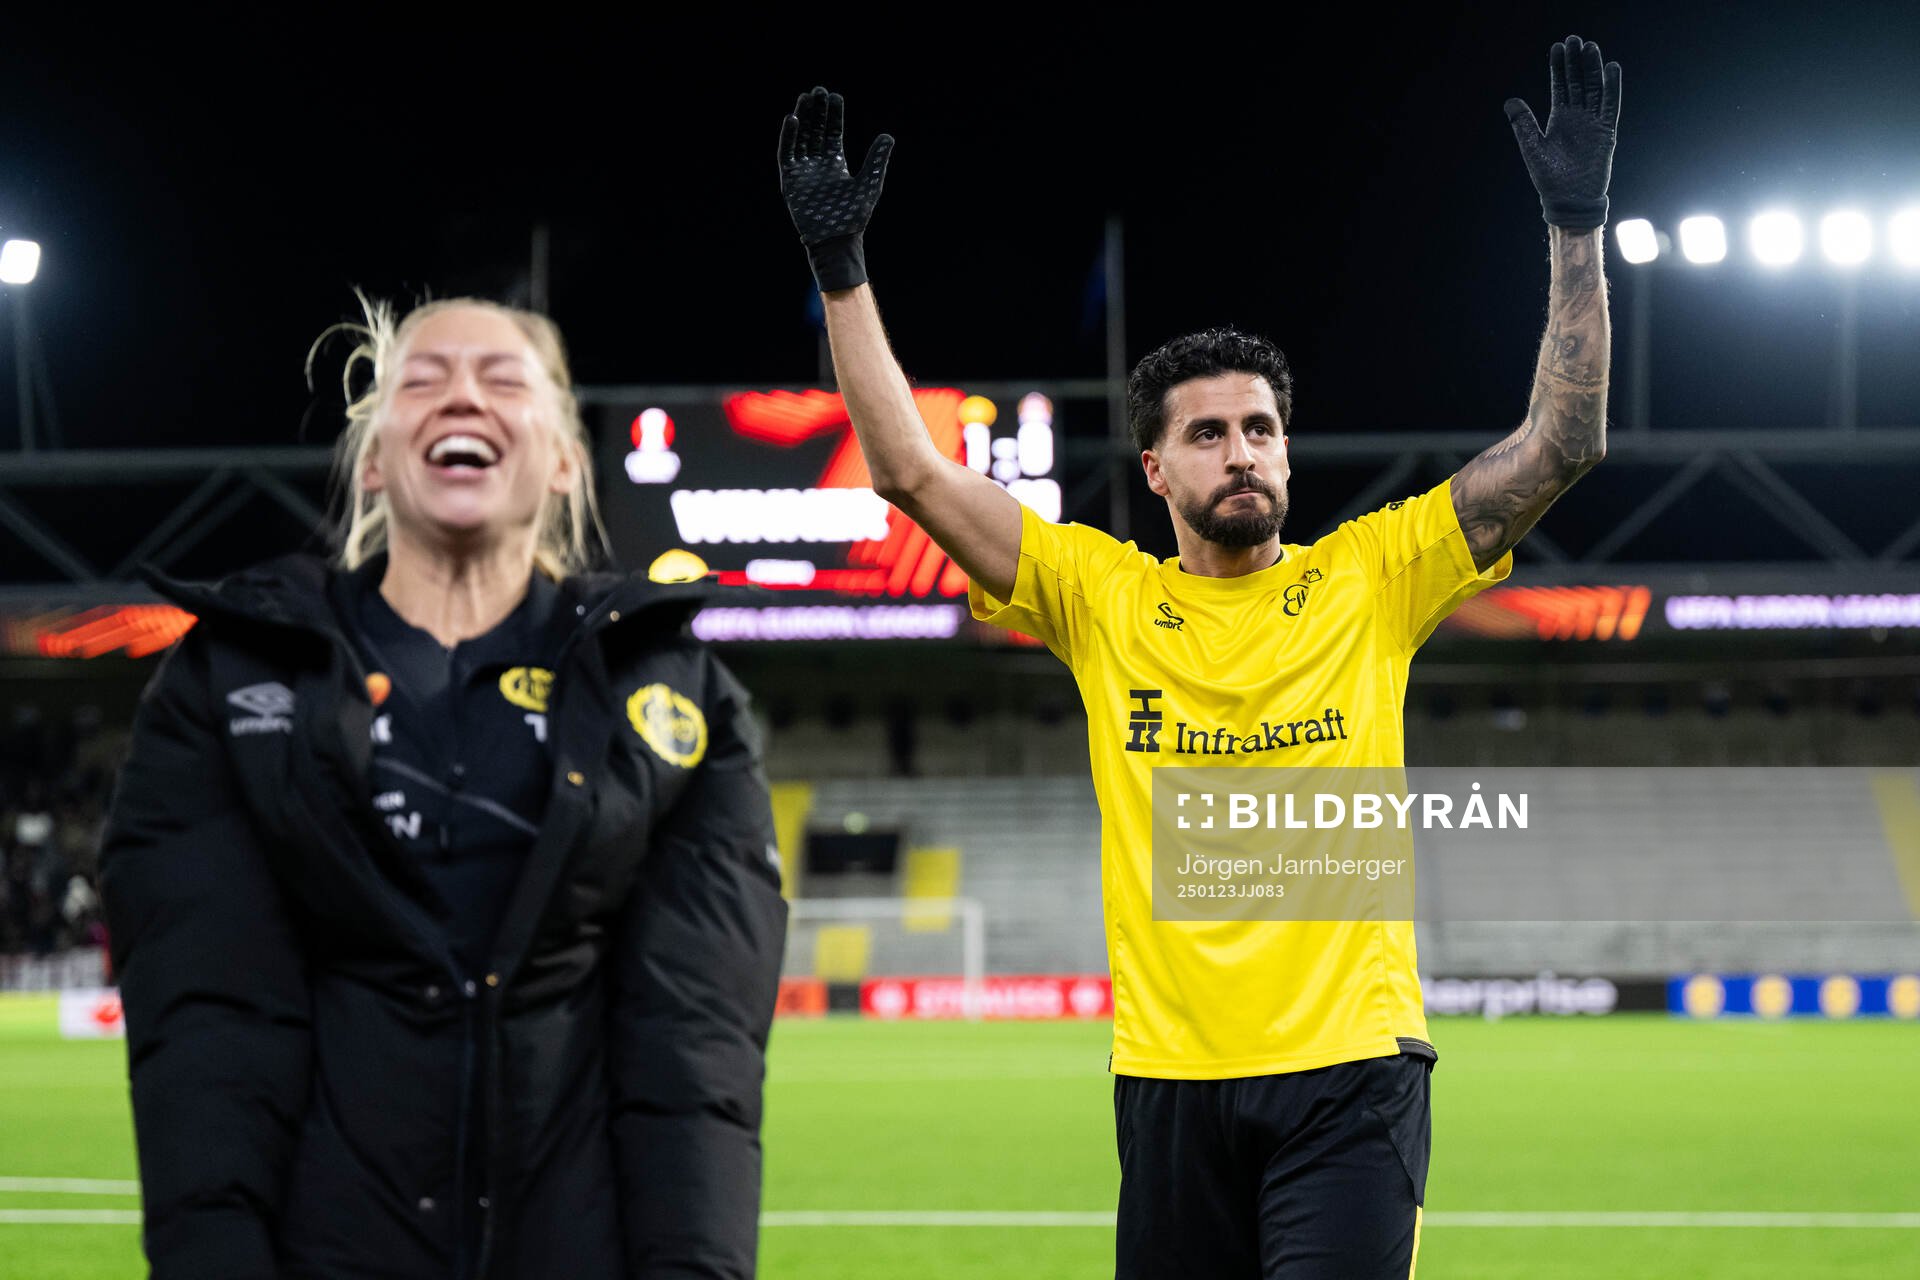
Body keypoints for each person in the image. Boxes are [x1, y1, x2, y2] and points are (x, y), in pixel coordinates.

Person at [778, 34, 1618, 1280]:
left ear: (1288, 454)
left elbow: (1563, 441)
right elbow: (906, 469)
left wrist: (1576, 223)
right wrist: (841, 267)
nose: (1244, 451)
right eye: (1211, 432)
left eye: (1264, 428)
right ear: (1157, 469)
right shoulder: (1096, 592)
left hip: (1352, 1071)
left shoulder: (1374, 574)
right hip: (1169, 1080)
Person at [100, 297, 788, 1279]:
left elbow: (694, 1052)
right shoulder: (228, 684)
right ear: (374, 459)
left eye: (505, 379)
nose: (461, 393)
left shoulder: (680, 695)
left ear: (562, 458)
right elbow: (212, 1027)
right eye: (420, 379)